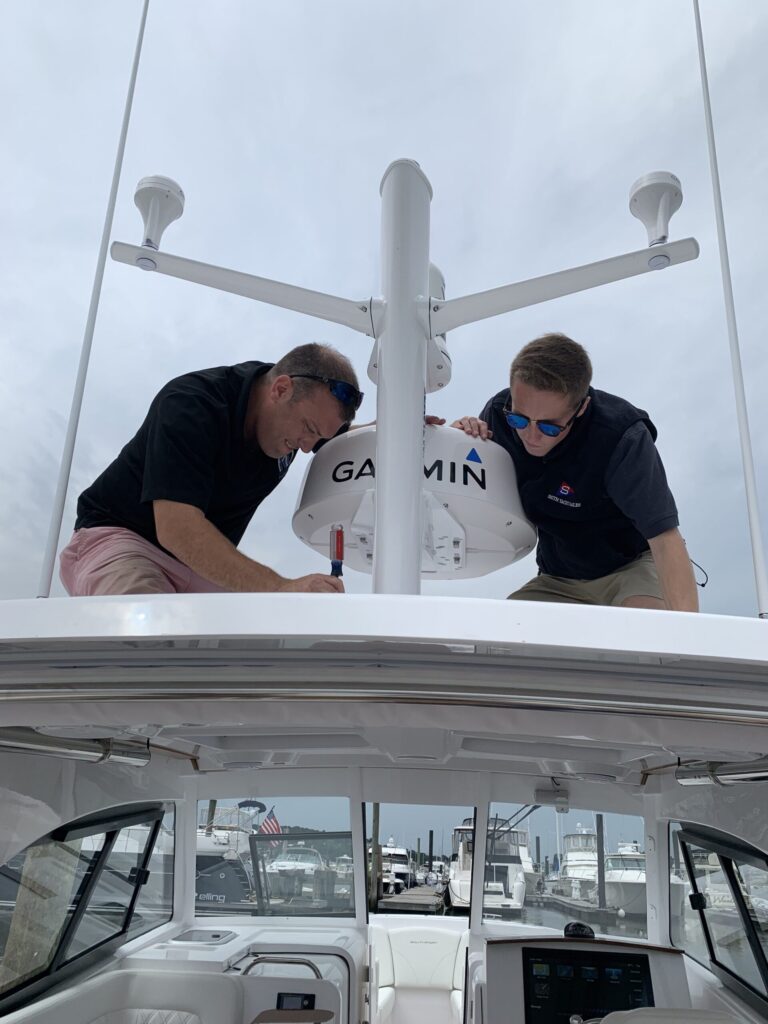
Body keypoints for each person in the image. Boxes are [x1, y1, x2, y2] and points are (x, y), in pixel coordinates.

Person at [59, 343, 362, 596]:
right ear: (281, 389)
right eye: (308, 429)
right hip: (126, 541)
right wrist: (281, 587)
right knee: (149, 640)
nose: (308, 447)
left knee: (253, 653)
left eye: (320, 437)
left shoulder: (300, 418)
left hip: (202, 568)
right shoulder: (191, 404)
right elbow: (177, 530)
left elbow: (357, 436)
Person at [452, 333, 698, 611]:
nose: (531, 436)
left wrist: (689, 644)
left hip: (632, 567)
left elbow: (665, 539)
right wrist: (447, 440)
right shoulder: (499, 416)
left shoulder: (621, 437)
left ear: (581, 408)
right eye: (520, 419)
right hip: (558, 579)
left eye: (549, 427)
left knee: (648, 634)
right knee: (502, 636)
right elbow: (464, 490)